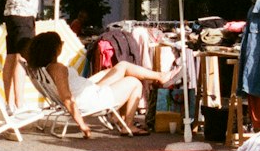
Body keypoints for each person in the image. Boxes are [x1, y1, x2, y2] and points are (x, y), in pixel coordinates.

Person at [25, 30, 169, 136]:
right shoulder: (58, 69)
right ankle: (128, 125)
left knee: (122, 65)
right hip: (90, 99)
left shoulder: (45, 68)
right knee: (134, 82)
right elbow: (67, 99)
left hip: (88, 90)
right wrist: (83, 125)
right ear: (55, 49)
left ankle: (160, 76)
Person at [2, 0, 63, 111]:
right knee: (23, 57)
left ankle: (9, 101)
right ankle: (20, 103)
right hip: (24, 15)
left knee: (11, 56)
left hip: (11, 13)